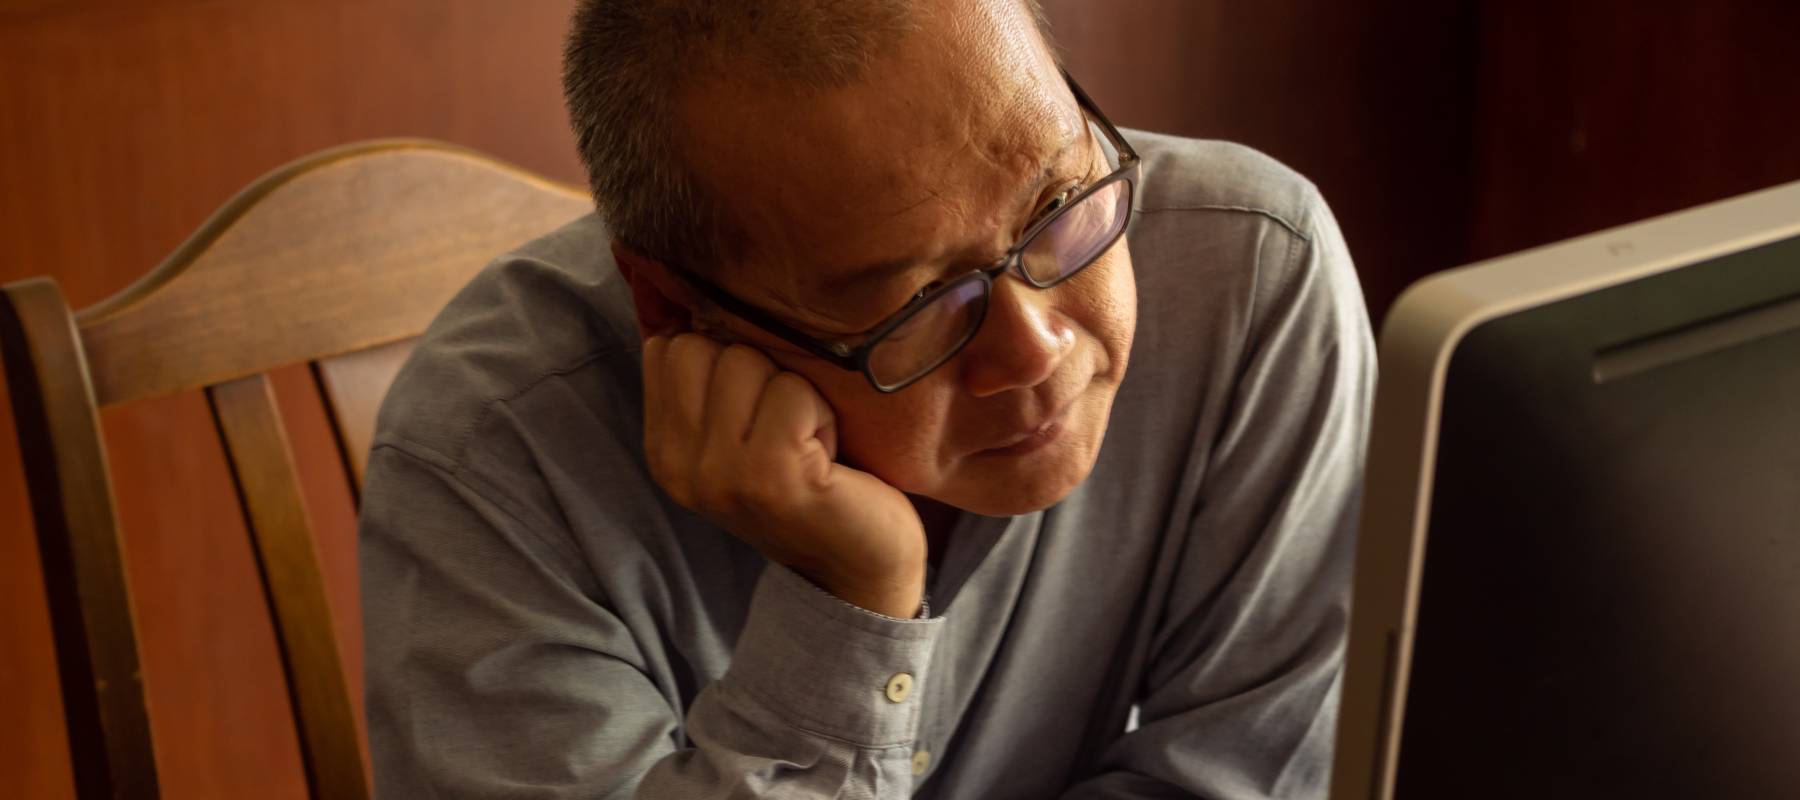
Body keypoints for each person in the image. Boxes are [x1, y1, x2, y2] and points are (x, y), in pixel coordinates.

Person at [359, 0, 1375, 797]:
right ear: (674, 305)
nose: (1034, 347)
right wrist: (847, 607)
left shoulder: (1251, 274)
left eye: (1057, 205)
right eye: (919, 301)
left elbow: (1252, 776)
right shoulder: (491, 456)